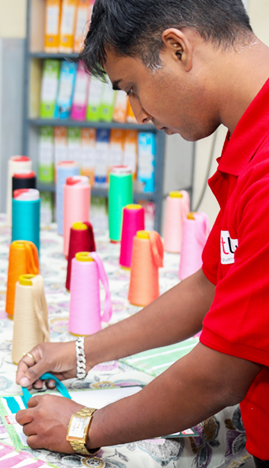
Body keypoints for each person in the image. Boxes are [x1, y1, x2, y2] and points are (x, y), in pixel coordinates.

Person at [15, 0, 269, 463]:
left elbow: (219, 374)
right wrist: (81, 351)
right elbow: (212, 284)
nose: (136, 113)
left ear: (176, 49)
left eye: (131, 88)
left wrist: (83, 427)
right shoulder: (249, 137)